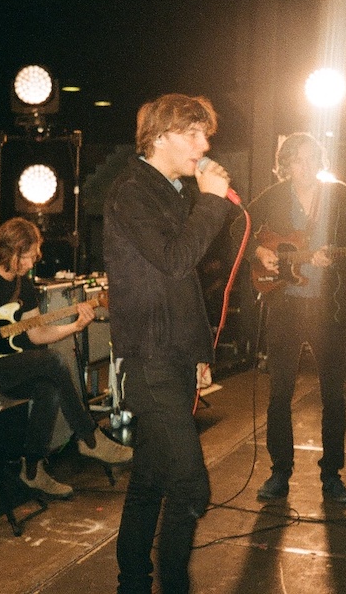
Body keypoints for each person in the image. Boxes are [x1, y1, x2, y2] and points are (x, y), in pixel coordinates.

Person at [103, 93, 235, 594]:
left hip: (174, 353)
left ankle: (133, 584)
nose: (204, 145)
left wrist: (199, 352)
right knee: (191, 485)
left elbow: (183, 285)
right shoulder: (133, 192)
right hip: (149, 356)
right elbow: (177, 259)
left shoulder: (173, 191)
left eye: (205, 134)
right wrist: (212, 202)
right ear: (160, 137)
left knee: (149, 480)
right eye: (193, 134)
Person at [0, 216, 132, 499]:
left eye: (33, 257)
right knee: (52, 361)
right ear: (10, 251)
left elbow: (36, 334)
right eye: (27, 257)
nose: (31, 263)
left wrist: (75, 326)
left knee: (49, 387)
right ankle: (88, 437)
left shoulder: (23, 286)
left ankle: (32, 470)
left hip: (5, 365)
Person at [243, 132, 346, 507]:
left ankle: (332, 476)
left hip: (328, 310)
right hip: (285, 308)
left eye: (311, 158)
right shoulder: (274, 196)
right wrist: (258, 251)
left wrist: (333, 259)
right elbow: (237, 228)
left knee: (334, 397)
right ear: (286, 165)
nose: (305, 166)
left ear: (320, 161)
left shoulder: (339, 195)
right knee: (280, 394)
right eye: (297, 159)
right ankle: (280, 473)